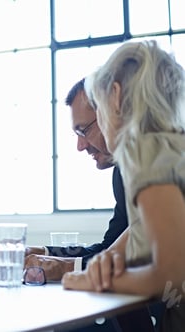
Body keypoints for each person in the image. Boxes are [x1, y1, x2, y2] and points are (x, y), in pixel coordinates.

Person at [62, 40, 185, 331]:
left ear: (115, 97)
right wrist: (105, 264)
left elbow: (171, 274)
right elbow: (128, 245)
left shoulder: (144, 150)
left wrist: (91, 280)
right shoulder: (175, 151)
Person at [24, 78, 128, 281]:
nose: (80, 146)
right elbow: (109, 248)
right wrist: (45, 253)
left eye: (84, 130)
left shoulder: (160, 168)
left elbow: (142, 257)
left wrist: (64, 267)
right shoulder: (121, 173)